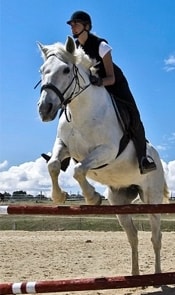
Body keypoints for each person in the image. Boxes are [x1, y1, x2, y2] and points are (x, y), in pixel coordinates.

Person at [66, 10, 156, 175]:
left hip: (114, 84)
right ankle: (64, 153)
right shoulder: (76, 47)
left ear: (86, 26)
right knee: (69, 105)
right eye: (71, 24)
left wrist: (100, 82)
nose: (73, 27)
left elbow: (111, 77)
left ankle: (143, 159)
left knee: (134, 115)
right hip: (91, 86)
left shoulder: (102, 46)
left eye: (76, 23)